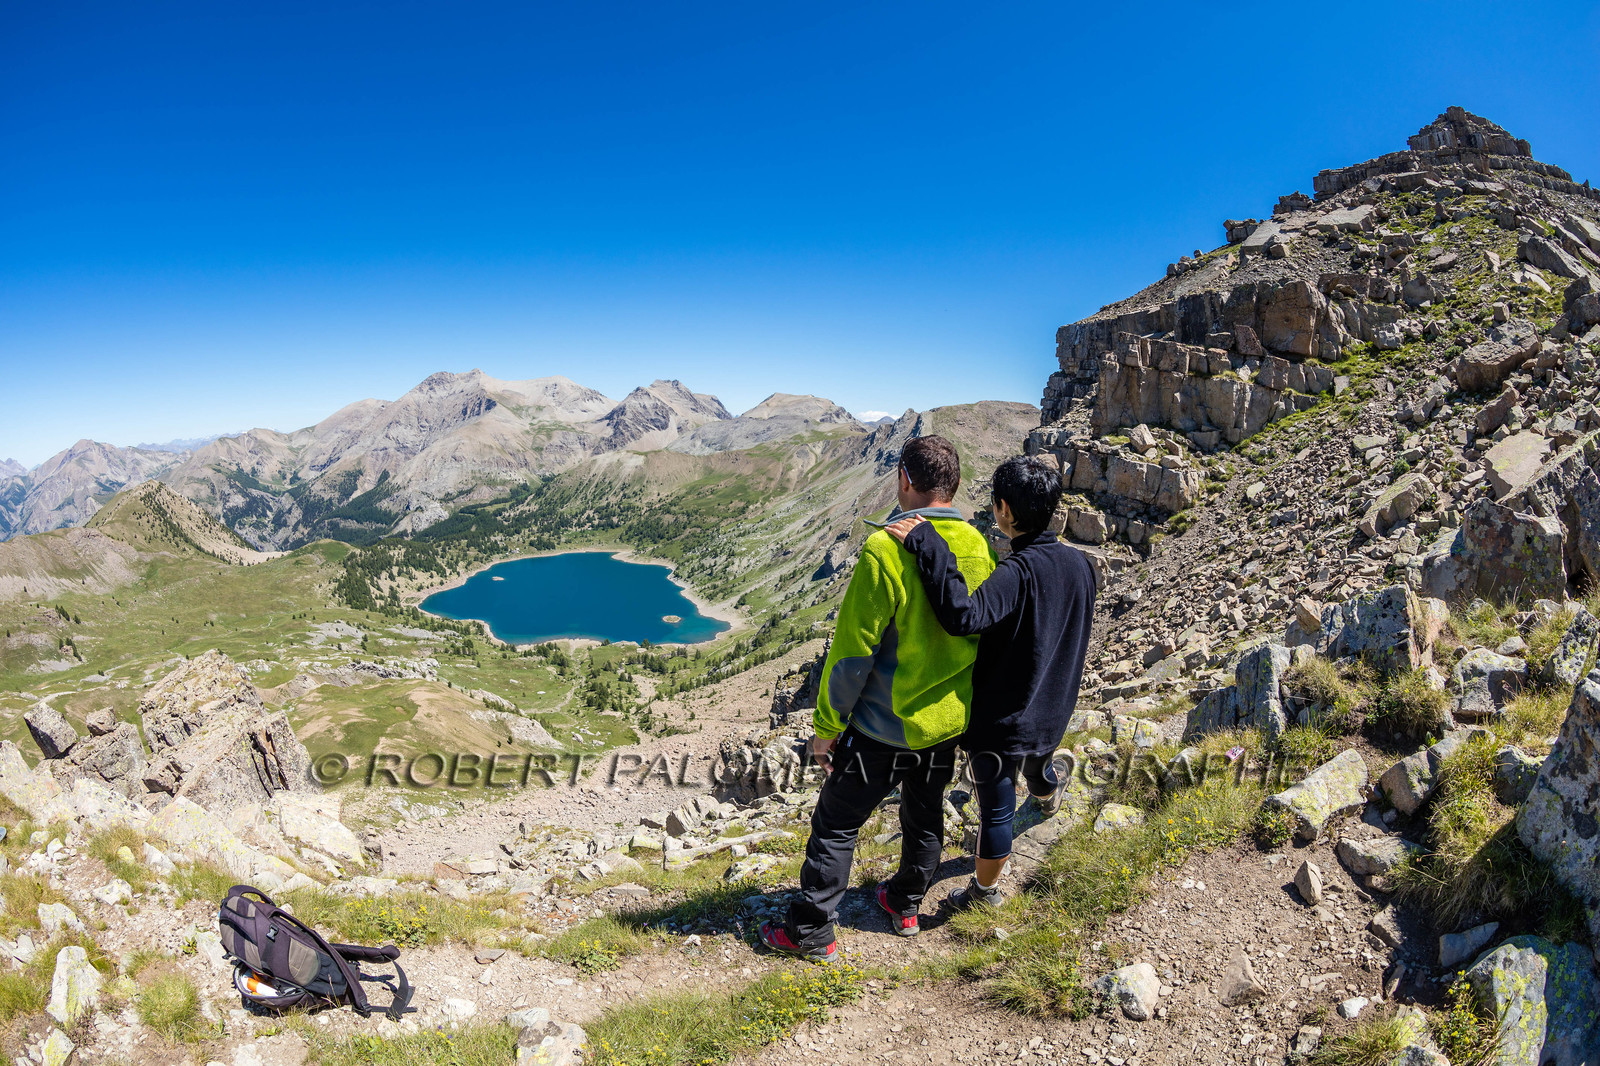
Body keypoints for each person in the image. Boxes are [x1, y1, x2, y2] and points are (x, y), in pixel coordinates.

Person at [758, 435, 997, 961]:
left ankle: (811, 931)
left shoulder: (886, 548)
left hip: (882, 727)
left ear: (906, 481)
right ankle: (906, 902)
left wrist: (826, 727)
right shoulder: (979, 546)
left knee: (837, 822)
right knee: (925, 812)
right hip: (946, 723)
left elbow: (851, 656)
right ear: (953, 485)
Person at [885, 453, 1096, 909]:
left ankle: (983, 893)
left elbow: (963, 617)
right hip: (1054, 702)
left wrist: (929, 544)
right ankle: (1046, 795)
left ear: (1003, 509)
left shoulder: (1016, 573)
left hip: (1004, 717)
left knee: (997, 811)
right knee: (1038, 762)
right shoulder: (1081, 565)